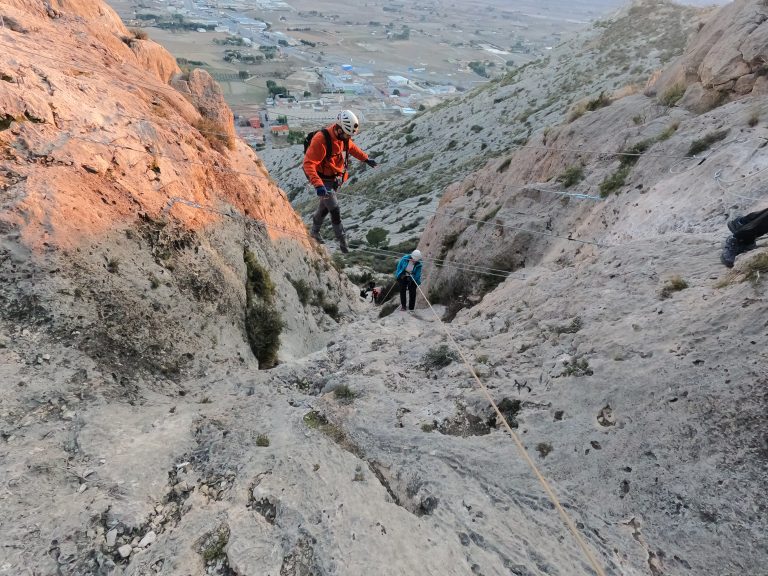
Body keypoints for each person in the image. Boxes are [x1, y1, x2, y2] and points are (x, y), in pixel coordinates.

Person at [303, 110, 377, 253]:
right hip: (322, 178)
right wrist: (318, 185)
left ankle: (314, 231)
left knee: (325, 208)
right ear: (338, 129)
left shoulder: (343, 137)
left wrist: (366, 159)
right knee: (335, 210)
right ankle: (343, 241)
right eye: (346, 135)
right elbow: (308, 164)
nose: (348, 138)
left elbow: (352, 148)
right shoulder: (321, 139)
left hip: (333, 178)